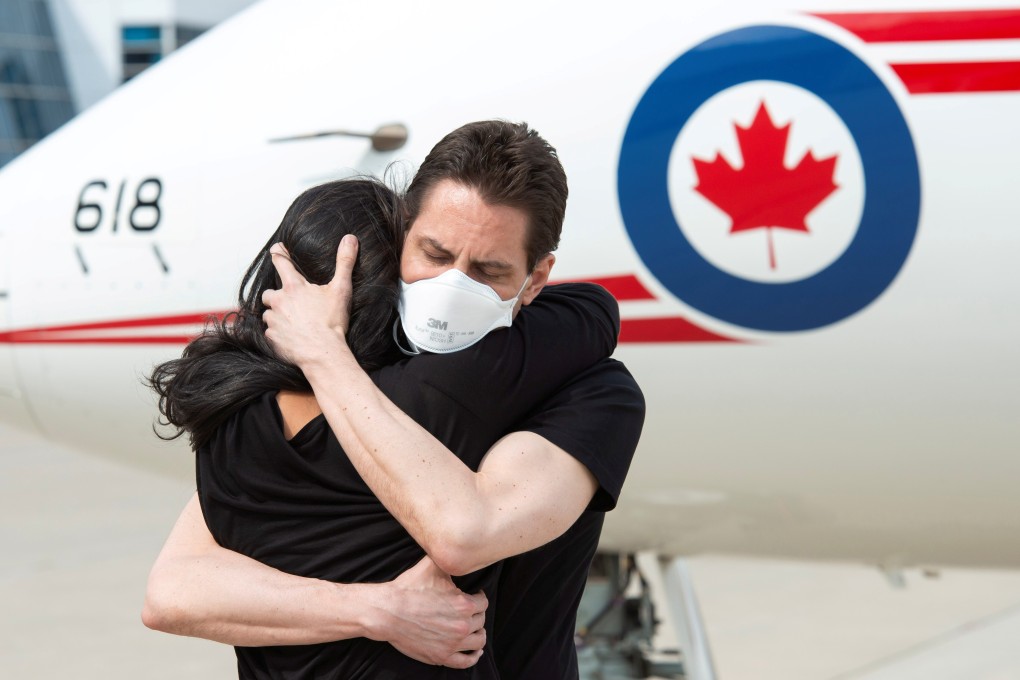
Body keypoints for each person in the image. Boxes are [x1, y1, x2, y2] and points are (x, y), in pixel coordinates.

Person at [144, 121, 645, 679]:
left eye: (489, 270)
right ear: (400, 237)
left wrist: (323, 354)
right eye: (434, 253)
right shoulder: (331, 395)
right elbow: (171, 591)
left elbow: (466, 532)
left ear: (535, 279)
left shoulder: (585, 392)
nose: (453, 286)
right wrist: (379, 610)